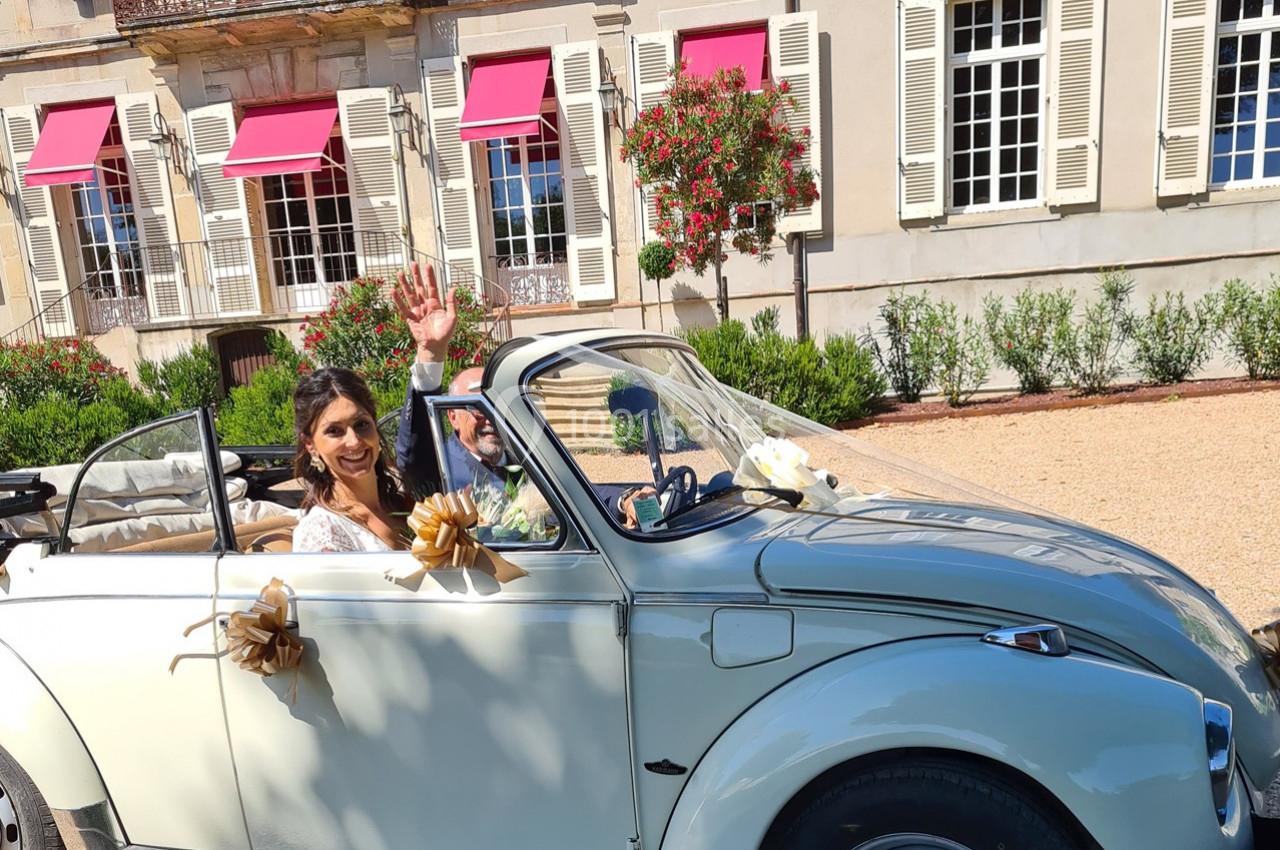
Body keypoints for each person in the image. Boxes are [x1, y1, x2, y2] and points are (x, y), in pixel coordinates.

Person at [391, 262, 657, 529]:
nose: (491, 416)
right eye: (477, 407)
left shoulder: (522, 455)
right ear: (452, 417)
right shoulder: (441, 464)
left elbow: (573, 494)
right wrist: (431, 355)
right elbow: (412, 456)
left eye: (496, 404)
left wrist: (627, 498)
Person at [292, 367, 413, 553]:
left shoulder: (405, 504)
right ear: (311, 445)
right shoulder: (322, 533)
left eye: (361, 425)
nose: (354, 441)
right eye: (334, 431)